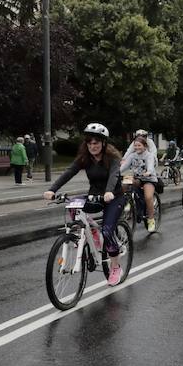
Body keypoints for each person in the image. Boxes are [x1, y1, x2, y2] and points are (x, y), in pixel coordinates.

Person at [44, 122, 126, 285]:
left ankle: (115, 267)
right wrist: (52, 190)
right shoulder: (85, 158)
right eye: (89, 142)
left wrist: (109, 191)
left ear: (103, 143)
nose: (92, 145)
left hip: (114, 197)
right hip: (94, 196)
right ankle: (92, 232)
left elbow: (114, 175)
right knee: (73, 205)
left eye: (96, 142)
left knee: (108, 231)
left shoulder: (112, 158)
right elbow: (69, 172)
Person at [121, 131, 160, 232]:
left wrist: (148, 172)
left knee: (148, 197)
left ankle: (151, 220)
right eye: (135, 146)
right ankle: (127, 201)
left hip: (148, 179)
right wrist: (114, 173)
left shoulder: (149, 155)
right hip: (137, 178)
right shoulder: (132, 156)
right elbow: (123, 167)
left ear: (145, 146)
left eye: (139, 145)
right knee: (125, 183)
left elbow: (151, 167)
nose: (137, 147)